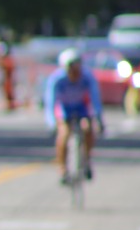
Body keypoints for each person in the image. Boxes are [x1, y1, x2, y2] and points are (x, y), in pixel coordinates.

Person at [43, 48, 104, 183]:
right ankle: (63, 168)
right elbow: (50, 103)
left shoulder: (87, 76)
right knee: (64, 134)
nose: (75, 73)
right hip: (64, 108)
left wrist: (99, 117)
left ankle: (87, 160)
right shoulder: (57, 79)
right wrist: (51, 123)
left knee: (88, 128)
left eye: (77, 68)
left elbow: (95, 98)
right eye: (71, 69)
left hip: (80, 106)